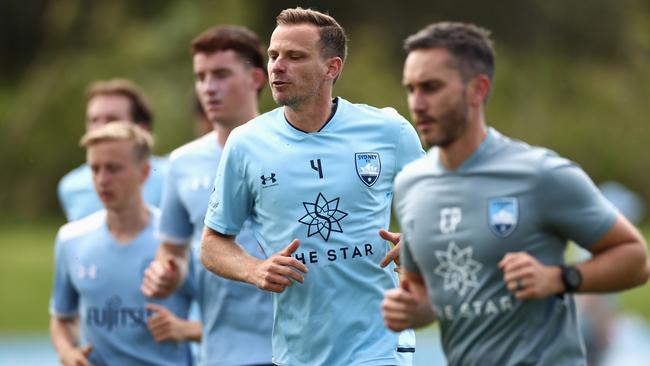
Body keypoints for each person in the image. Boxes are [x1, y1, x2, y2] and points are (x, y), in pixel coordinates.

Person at [381, 21, 650, 366]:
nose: (417, 103)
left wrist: (559, 278)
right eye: (411, 88)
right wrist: (412, 310)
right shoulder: (411, 185)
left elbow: (635, 258)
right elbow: (426, 294)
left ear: (478, 89)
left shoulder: (540, 174)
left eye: (431, 88)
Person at [199, 7, 424, 366]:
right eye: (273, 55)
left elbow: (443, 207)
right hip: (297, 352)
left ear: (331, 68)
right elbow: (212, 244)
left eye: (294, 56)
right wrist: (254, 269)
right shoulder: (245, 143)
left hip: (381, 345)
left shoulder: (388, 131)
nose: (277, 66)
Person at [140, 25, 273, 365]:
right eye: (201, 77)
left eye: (221, 75)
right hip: (223, 350)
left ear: (256, 78)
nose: (208, 88)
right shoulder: (182, 163)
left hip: (294, 346)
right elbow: (172, 251)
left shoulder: (288, 148)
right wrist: (165, 272)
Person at [49, 122, 193, 366]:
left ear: (144, 172)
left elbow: (221, 322)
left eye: (113, 169)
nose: (102, 179)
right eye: (95, 169)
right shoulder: (70, 239)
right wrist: (67, 352)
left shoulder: (178, 238)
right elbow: (61, 318)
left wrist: (185, 330)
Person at [57, 78, 167, 221]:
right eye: (94, 120)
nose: (100, 129)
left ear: (141, 129)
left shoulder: (170, 178)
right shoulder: (71, 186)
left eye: (112, 120)